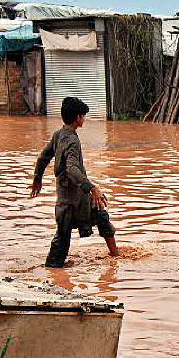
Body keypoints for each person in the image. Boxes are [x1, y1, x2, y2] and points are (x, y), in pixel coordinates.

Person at [31, 96, 117, 268]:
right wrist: (93, 188)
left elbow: (43, 157)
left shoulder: (58, 135)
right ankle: (116, 258)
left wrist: (37, 179)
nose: (84, 119)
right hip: (75, 203)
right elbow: (71, 169)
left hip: (65, 202)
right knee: (99, 216)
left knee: (98, 217)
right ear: (78, 118)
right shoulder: (72, 141)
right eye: (83, 116)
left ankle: (115, 257)